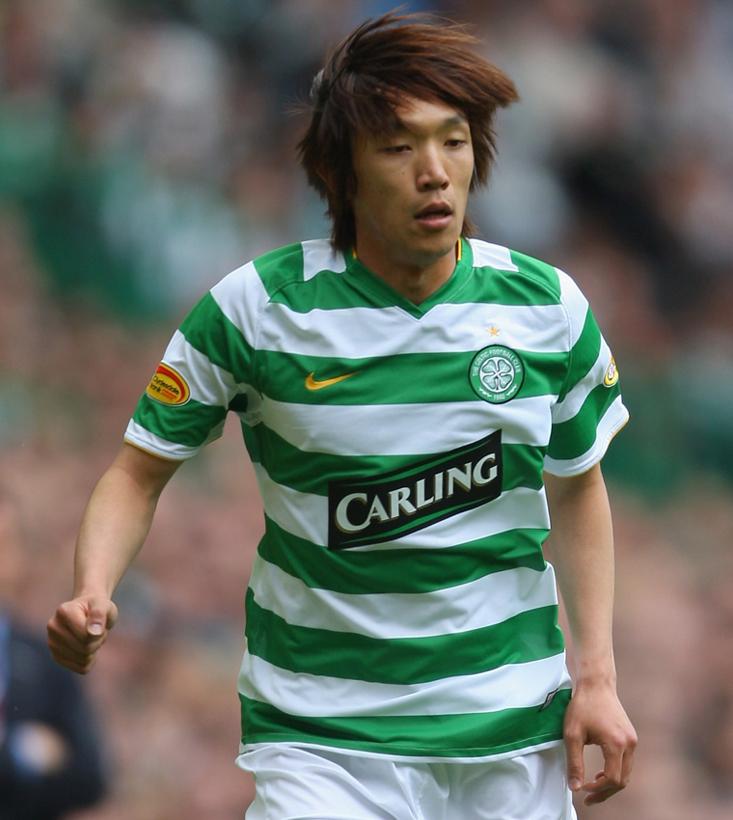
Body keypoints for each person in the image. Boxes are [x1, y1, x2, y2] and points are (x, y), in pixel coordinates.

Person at [48, 12, 637, 818]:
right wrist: (93, 588)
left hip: (510, 736)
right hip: (323, 741)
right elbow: (136, 472)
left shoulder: (547, 308)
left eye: (453, 141)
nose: (434, 172)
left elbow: (576, 486)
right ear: (342, 170)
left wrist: (596, 679)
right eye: (398, 147)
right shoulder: (254, 310)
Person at [0, 491, 106, 820]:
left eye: (4, 544)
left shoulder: (47, 657)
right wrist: (18, 750)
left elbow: (89, 777)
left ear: (22, 557)